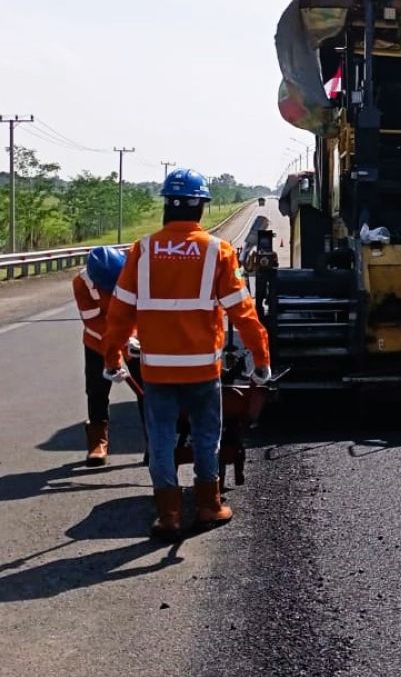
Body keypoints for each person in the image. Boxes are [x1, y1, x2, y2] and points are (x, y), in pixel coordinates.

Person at [101, 168, 272, 542]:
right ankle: (209, 504)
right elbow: (243, 313)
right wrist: (261, 361)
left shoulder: (142, 250)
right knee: (206, 434)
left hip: (157, 370)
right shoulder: (217, 251)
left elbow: (119, 313)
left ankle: (168, 514)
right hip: (202, 370)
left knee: (160, 438)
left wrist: (112, 357)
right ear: (200, 208)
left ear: (167, 206)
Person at [73, 246, 145, 466]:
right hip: (98, 340)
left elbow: (140, 310)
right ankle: (98, 442)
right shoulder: (81, 283)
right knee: (96, 389)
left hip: (133, 339)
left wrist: (130, 338)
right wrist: (116, 342)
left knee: (147, 387)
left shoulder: (134, 273)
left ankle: (154, 442)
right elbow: (92, 321)